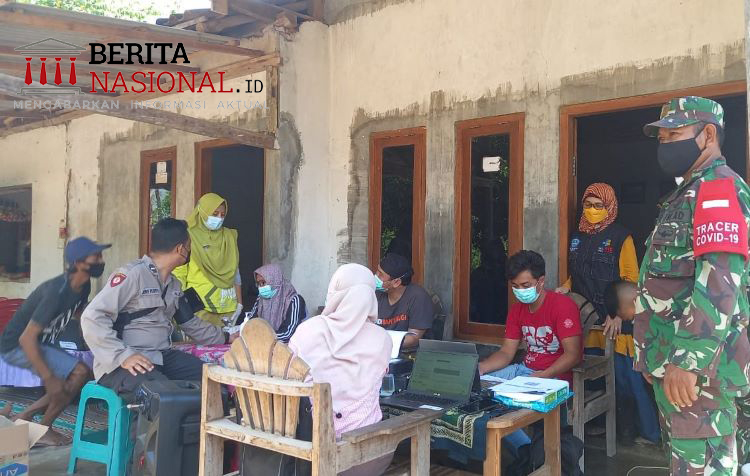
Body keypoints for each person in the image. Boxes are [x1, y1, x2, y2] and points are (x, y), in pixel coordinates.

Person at [634, 96, 750, 475]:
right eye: (662, 138)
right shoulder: (688, 192)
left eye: (675, 135)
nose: (665, 145)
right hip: (679, 371)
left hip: (699, 376)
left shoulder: (716, 190)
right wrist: (655, 356)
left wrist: (687, 361)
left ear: (708, 135)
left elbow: (719, 282)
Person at [81, 218, 235, 397]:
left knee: (214, 382)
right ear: (180, 249)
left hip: (160, 356)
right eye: (189, 247)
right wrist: (123, 355)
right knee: (164, 396)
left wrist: (226, 337)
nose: (190, 251)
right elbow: (91, 317)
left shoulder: (174, 285)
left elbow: (191, 323)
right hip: (123, 361)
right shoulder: (133, 274)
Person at [0, 237, 108, 446]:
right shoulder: (56, 292)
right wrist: (49, 377)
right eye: (96, 257)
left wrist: (91, 341)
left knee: (78, 376)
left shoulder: (83, 285)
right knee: (78, 373)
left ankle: (24, 417)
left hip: (41, 342)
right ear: (78, 262)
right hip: (17, 346)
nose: (101, 261)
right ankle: (42, 429)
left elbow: (79, 314)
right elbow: (26, 338)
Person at [289, 263, 393, 476]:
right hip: (362, 459)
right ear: (370, 297)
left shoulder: (306, 330)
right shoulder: (382, 338)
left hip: (306, 451)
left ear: (335, 294)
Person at [479, 250, 583, 454]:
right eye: (515, 286)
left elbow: (573, 354)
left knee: (501, 406)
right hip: (523, 372)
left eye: (525, 285)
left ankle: (527, 452)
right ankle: (525, 450)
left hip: (554, 377)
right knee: (477, 391)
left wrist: (545, 374)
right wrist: (481, 368)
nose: (520, 291)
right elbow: (506, 352)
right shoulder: (517, 310)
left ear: (541, 281)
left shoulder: (562, 306)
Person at [556, 182, 639, 320]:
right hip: (581, 312)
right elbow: (578, 271)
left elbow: (631, 279)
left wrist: (618, 314)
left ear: (609, 206)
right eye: (588, 204)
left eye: (598, 205)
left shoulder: (620, 236)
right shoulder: (577, 235)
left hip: (609, 316)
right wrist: (566, 287)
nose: (592, 209)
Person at [602, 280, 660, 446]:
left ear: (635, 302)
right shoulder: (646, 308)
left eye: (629, 317)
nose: (631, 320)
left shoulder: (661, 311)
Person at [173, 193, 242, 328]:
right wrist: (179, 303)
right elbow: (179, 272)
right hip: (200, 307)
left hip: (228, 305)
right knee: (199, 341)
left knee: (227, 341)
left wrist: (240, 303)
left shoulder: (229, 236)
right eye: (214, 214)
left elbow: (235, 271)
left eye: (222, 215)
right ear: (202, 211)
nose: (219, 218)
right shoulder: (188, 236)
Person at [374, 253, 435, 349]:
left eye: (381, 274)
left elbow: (413, 338)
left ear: (396, 282)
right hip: (378, 349)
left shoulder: (418, 297)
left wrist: (379, 344)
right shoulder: (375, 293)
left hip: (408, 353)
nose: (376, 276)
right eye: (377, 271)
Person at [242, 263, 306, 343]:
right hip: (264, 343)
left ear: (275, 281)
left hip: (289, 347)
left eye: (263, 282)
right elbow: (251, 321)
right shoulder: (261, 298)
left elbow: (288, 333)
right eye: (258, 284)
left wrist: (262, 336)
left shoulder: (294, 300)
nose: (260, 287)